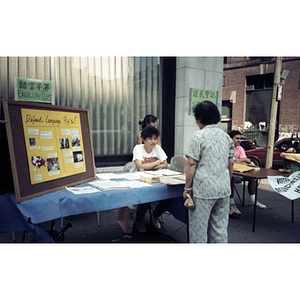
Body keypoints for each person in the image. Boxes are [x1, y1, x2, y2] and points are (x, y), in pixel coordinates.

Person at [183, 101, 235, 243]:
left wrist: (187, 188)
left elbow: (191, 163)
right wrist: (227, 182)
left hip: (203, 191)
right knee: (219, 229)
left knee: (198, 231)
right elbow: (231, 163)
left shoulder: (198, 136)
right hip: (223, 189)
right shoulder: (226, 137)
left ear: (198, 118)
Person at [131, 126, 172, 233]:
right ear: (144, 139)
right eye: (150, 138)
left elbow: (165, 165)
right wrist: (157, 163)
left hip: (154, 178)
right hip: (137, 178)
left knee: (169, 197)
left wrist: (150, 165)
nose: (153, 141)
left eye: (155, 138)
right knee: (146, 195)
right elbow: (140, 166)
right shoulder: (138, 148)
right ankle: (139, 220)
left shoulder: (157, 148)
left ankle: (155, 216)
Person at [229, 130, 267, 215]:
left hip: (240, 171)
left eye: (240, 138)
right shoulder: (227, 147)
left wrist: (240, 161)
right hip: (229, 172)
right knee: (230, 179)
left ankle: (252, 201)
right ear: (231, 139)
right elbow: (230, 160)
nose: (239, 140)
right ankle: (231, 203)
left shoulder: (240, 148)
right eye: (237, 138)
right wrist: (243, 160)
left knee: (252, 178)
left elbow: (245, 161)